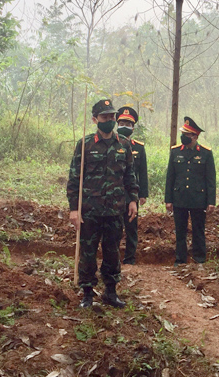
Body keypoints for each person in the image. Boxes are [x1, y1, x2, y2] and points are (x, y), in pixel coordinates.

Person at [67, 99, 139, 309]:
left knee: (112, 251)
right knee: (88, 252)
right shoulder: (86, 144)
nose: (109, 120)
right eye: (104, 117)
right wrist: (74, 208)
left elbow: (129, 175)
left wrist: (133, 199)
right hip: (90, 210)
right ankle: (87, 293)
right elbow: (74, 179)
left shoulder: (123, 144)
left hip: (115, 210)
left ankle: (110, 292)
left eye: (111, 116)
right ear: (95, 119)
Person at [165, 117, 216, 266]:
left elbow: (210, 179)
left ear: (195, 136)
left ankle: (199, 259)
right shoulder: (175, 152)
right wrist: (168, 199)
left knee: (198, 230)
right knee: (180, 231)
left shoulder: (206, 153)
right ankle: (180, 260)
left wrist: (211, 201)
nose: (183, 137)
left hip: (198, 198)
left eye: (186, 134)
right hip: (179, 197)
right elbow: (170, 177)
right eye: (183, 133)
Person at [116, 106, 148, 265]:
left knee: (131, 228)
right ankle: (113, 258)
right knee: (114, 229)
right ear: (117, 124)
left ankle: (130, 259)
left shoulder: (139, 147)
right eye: (121, 122)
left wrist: (142, 194)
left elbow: (142, 172)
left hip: (131, 195)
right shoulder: (111, 143)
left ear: (133, 127)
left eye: (128, 124)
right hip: (113, 193)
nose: (124, 126)